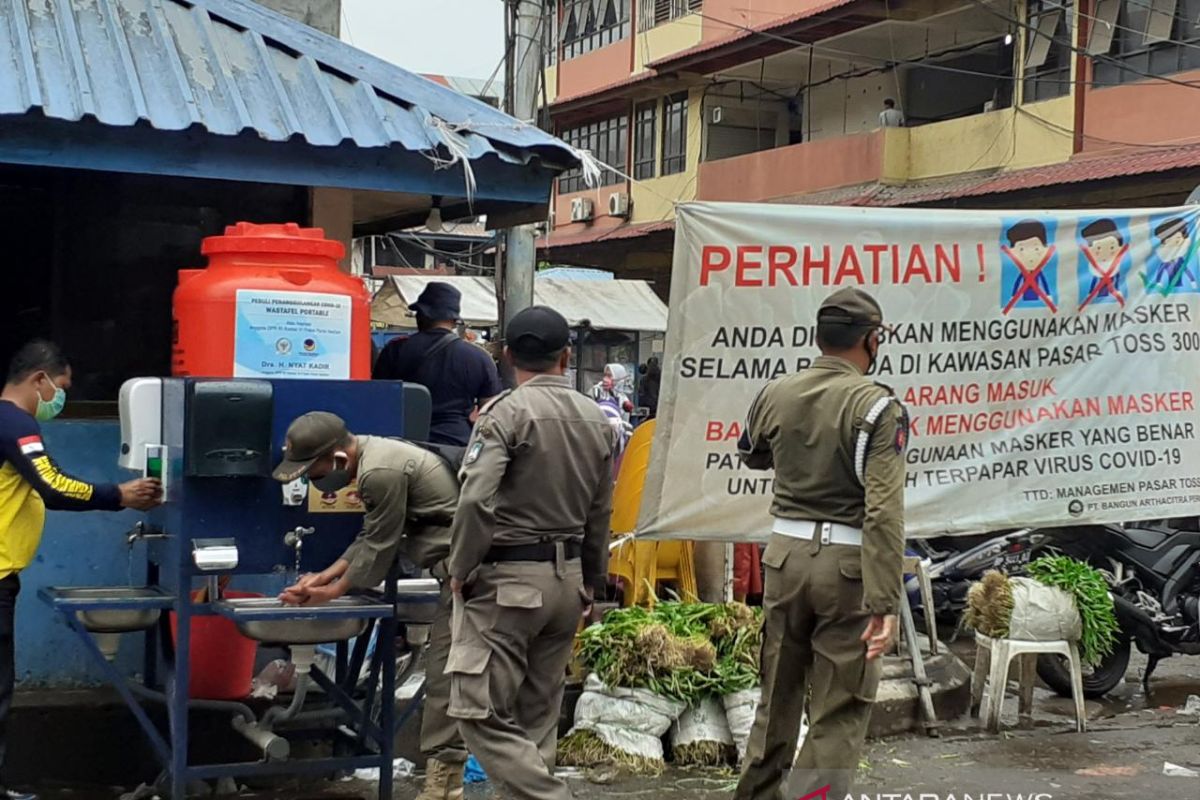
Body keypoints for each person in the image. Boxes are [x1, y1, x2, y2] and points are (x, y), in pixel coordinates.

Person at [733, 288, 906, 800]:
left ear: (818, 336)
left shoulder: (775, 392)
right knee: (839, 709)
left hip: (784, 561)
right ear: (872, 340)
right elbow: (884, 512)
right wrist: (885, 603)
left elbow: (753, 454)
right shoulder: (878, 406)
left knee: (775, 700)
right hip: (848, 570)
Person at [446, 306, 615, 800]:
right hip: (566, 585)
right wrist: (591, 583)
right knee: (537, 718)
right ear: (567, 356)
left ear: (507, 355)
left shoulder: (505, 413)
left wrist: (462, 566)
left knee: (476, 710)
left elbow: (476, 498)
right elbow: (600, 514)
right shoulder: (596, 418)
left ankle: (550, 796)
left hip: (508, 583)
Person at [271, 411, 465, 800]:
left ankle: (445, 787)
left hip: (468, 575)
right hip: (458, 572)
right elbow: (371, 533)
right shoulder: (374, 455)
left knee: (449, 678)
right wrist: (323, 577)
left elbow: (381, 544)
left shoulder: (380, 472)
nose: (313, 480)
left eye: (314, 471)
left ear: (339, 459)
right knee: (452, 678)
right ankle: (449, 786)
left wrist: (332, 592)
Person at [0, 341, 161, 800]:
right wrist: (119, 495)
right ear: (39, 380)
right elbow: (51, 484)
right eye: (61, 388)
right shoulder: (14, 422)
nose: (60, 398)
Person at [373, 282, 503, 446]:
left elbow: (378, 401)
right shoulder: (479, 357)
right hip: (456, 447)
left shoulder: (395, 351)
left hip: (403, 445)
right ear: (454, 321)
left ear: (422, 315)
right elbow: (491, 414)